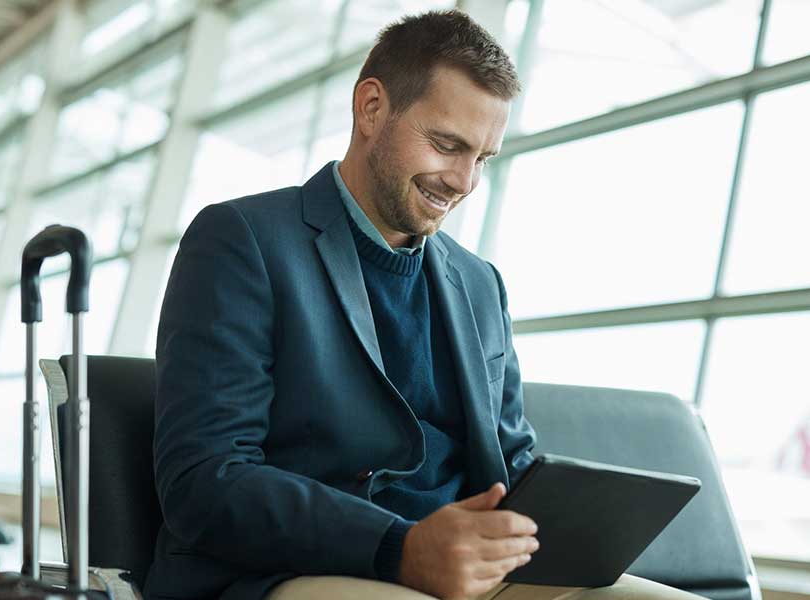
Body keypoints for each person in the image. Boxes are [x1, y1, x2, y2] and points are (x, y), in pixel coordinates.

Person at [143, 10, 702, 600]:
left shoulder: (480, 283)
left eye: (482, 158)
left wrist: (577, 528)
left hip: (469, 572)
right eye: (446, 144)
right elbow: (207, 481)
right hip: (297, 569)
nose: (463, 180)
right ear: (371, 108)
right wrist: (401, 547)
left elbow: (512, 460)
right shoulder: (242, 239)